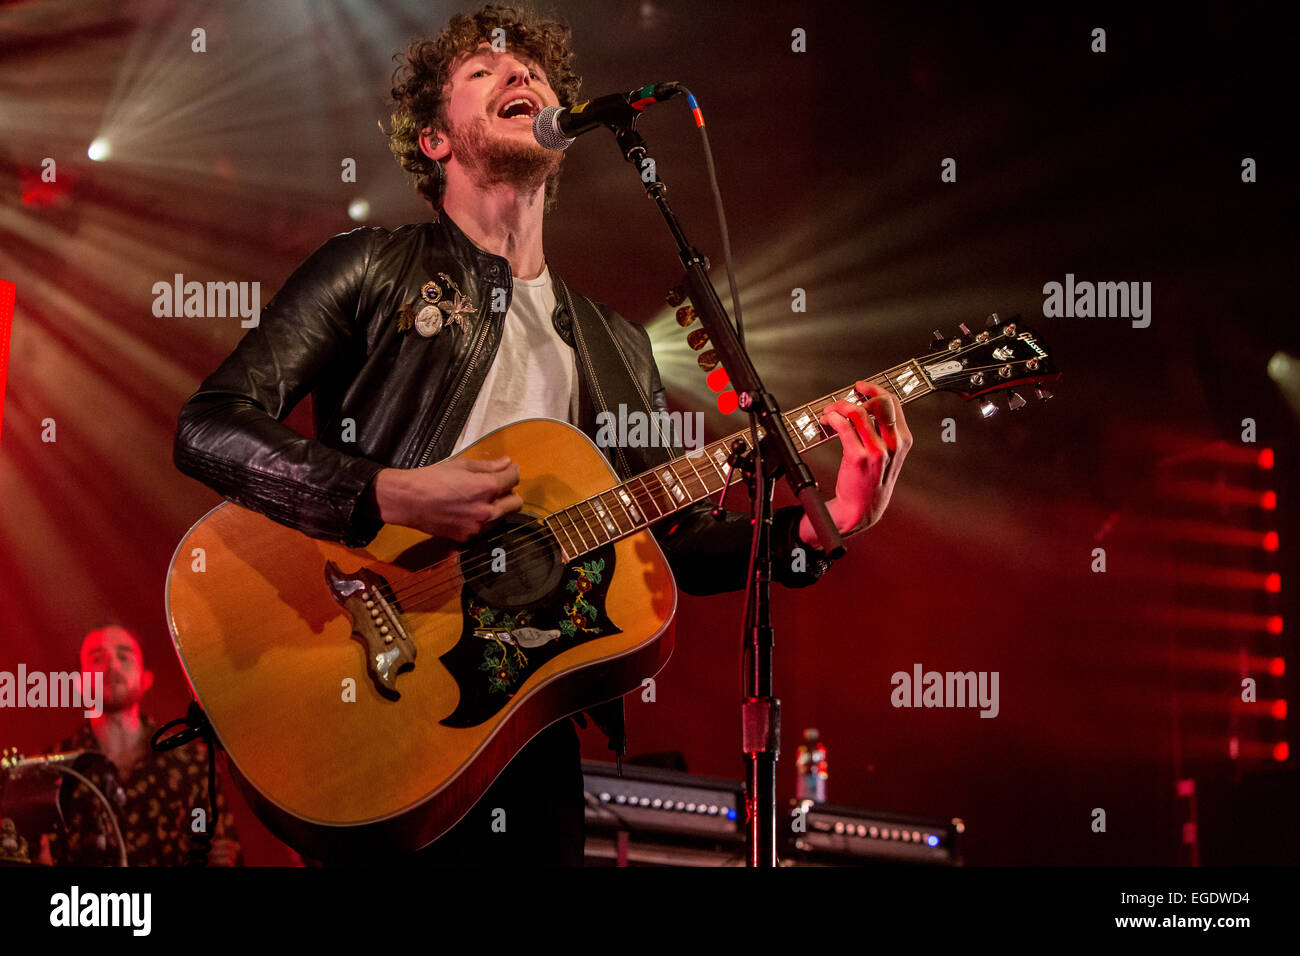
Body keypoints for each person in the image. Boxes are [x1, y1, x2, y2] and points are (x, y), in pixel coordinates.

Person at [173, 3, 911, 865]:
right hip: (372, 698)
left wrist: (821, 529)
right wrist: (384, 493)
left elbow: (672, 544)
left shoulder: (617, 345)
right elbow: (209, 426)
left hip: (529, 725)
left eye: (530, 66)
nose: (518, 72)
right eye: (483, 71)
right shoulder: (371, 267)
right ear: (435, 141)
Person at [39, 625, 241, 866]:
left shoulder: (192, 764)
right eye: (97, 658)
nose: (112, 666)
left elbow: (210, 836)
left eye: (124, 656)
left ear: (146, 678)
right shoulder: (52, 769)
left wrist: (218, 858)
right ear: (79, 683)